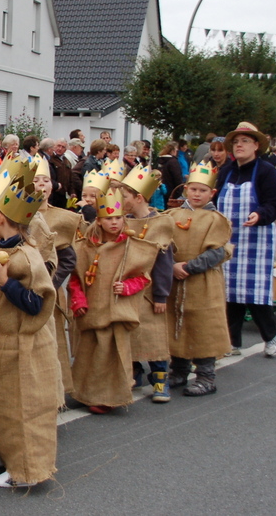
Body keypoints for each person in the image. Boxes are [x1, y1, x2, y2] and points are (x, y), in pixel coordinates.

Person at [0, 178, 60, 488]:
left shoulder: (27, 256)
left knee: (24, 407)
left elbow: (36, 303)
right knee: (3, 404)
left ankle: (25, 470)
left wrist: (5, 282)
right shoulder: (9, 249)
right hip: (5, 340)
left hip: (23, 343)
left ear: (1, 218)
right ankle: (8, 453)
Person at [69, 187, 159, 414]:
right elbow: (76, 279)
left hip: (116, 312)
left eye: (118, 218)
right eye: (109, 219)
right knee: (90, 355)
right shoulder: (86, 247)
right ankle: (86, 392)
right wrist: (79, 301)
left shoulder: (131, 246)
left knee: (113, 356)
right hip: (91, 312)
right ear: (99, 221)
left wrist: (127, 286)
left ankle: (109, 396)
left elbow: (143, 277)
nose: (114, 223)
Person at [214, 122, 276, 358]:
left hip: (256, 239)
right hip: (229, 239)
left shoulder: (266, 171)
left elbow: (274, 203)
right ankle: (233, 342)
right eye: (236, 141)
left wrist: (260, 214)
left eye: (245, 141)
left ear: (256, 145)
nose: (239, 145)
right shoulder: (226, 171)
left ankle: (271, 337)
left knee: (256, 294)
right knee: (229, 293)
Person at [165, 162, 233, 396]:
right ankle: (179, 370)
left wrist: (189, 267)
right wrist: (171, 266)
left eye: (202, 190)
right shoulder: (172, 215)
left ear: (212, 193)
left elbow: (216, 252)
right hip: (175, 278)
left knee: (203, 326)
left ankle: (206, 375)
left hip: (202, 282)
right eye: (193, 189)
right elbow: (162, 244)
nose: (196, 194)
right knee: (176, 323)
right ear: (186, 189)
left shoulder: (216, 219)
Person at [119, 165, 175, 403]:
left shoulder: (160, 224)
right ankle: (135, 374)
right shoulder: (123, 221)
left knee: (153, 335)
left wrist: (161, 295)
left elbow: (164, 262)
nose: (120, 201)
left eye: (124, 197)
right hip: (127, 289)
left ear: (138, 197)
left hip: (151, 291)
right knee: (130, 333)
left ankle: (160, 378)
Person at [32, 159, 81, 397]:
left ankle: (55, 394)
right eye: (35, 180)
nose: (41, 185)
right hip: (24, 291)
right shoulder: (15, 215)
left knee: (52, 343)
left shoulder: (62, 218)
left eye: (45, 180)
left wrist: (48, 283)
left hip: (49, 291)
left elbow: (68, 259)